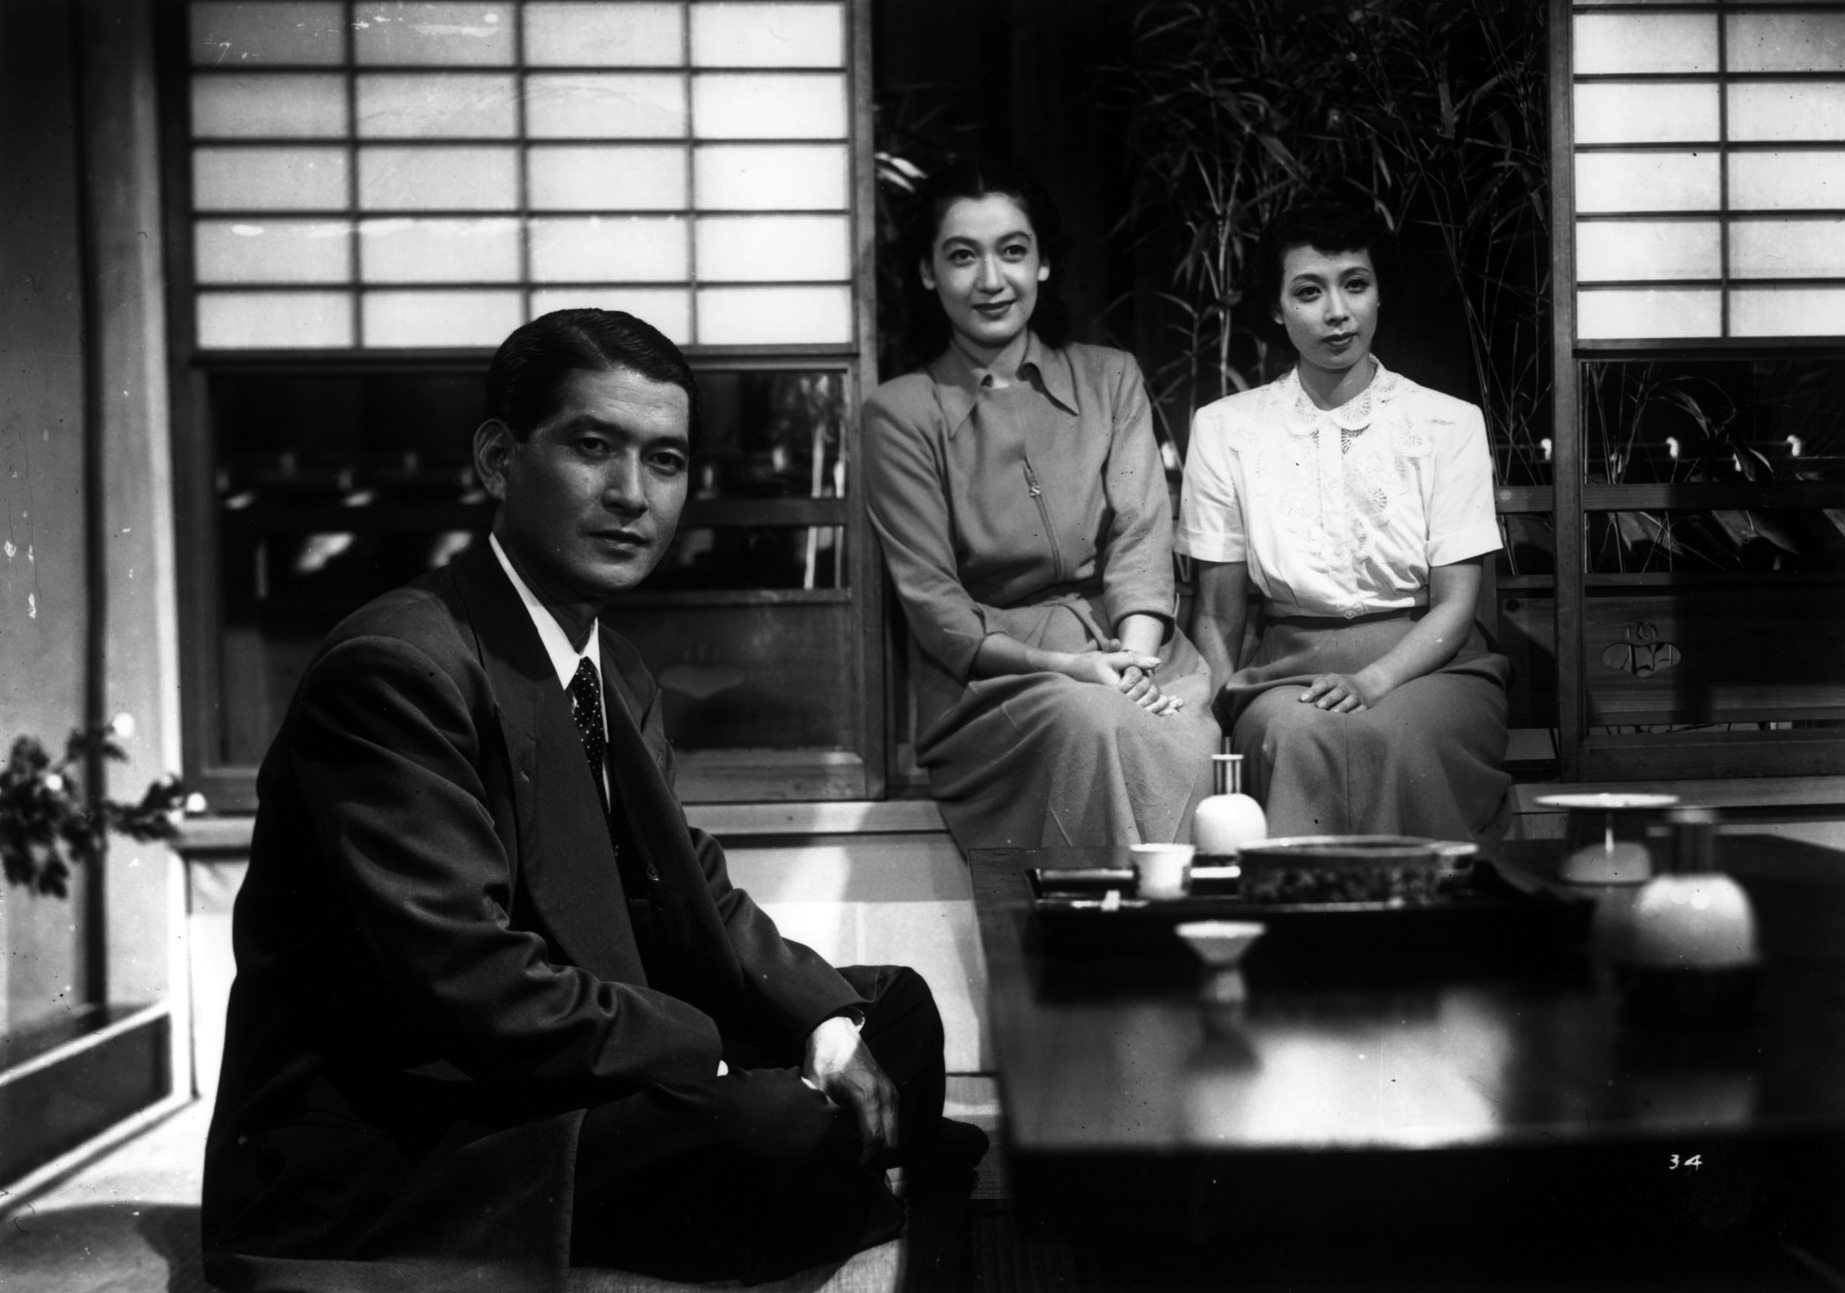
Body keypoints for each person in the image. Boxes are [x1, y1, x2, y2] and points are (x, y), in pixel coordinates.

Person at [201, 309, 981, 1292]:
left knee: (889, 1014)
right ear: (498, 458)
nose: (629, 495)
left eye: (664, 460)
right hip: (423, 1123)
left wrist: (821, 1026)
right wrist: (719, 1066)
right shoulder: (399, 667)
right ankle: (820, 1179)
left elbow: (691, 886)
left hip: (557, 1050)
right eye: (592, 446)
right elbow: (472, 986)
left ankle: (812, 1176)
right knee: (772, 1122)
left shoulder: (605, 659)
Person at [863, 160, 1221, 851]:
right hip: (998, 683)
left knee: (1167, 734)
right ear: (928, 273)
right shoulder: (900, 412)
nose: (991, 280)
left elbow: (1142, 537)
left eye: (1013, 251)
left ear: (1044, 262)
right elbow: (937, 608)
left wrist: (1133, 665)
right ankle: (1094, 955)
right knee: (1088, 723)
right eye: (962, 256)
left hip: (1134, 650)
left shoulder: (1110, 377)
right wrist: (1075, 671)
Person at [1176, 200, 1512, 841]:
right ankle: (1302, 935)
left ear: (1379, 293)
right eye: (1309, 291)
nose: (1337, 312)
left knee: (1394, 735)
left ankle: (1419, 934)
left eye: (1355, 284)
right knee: (1294, 734)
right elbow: (1220, 614)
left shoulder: (1448, 422)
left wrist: (1373, 679)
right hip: (1287, 670)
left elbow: (1457, 605)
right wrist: (1220, 724)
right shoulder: (1227, 428)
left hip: (1432, 667)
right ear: (1277, 307)